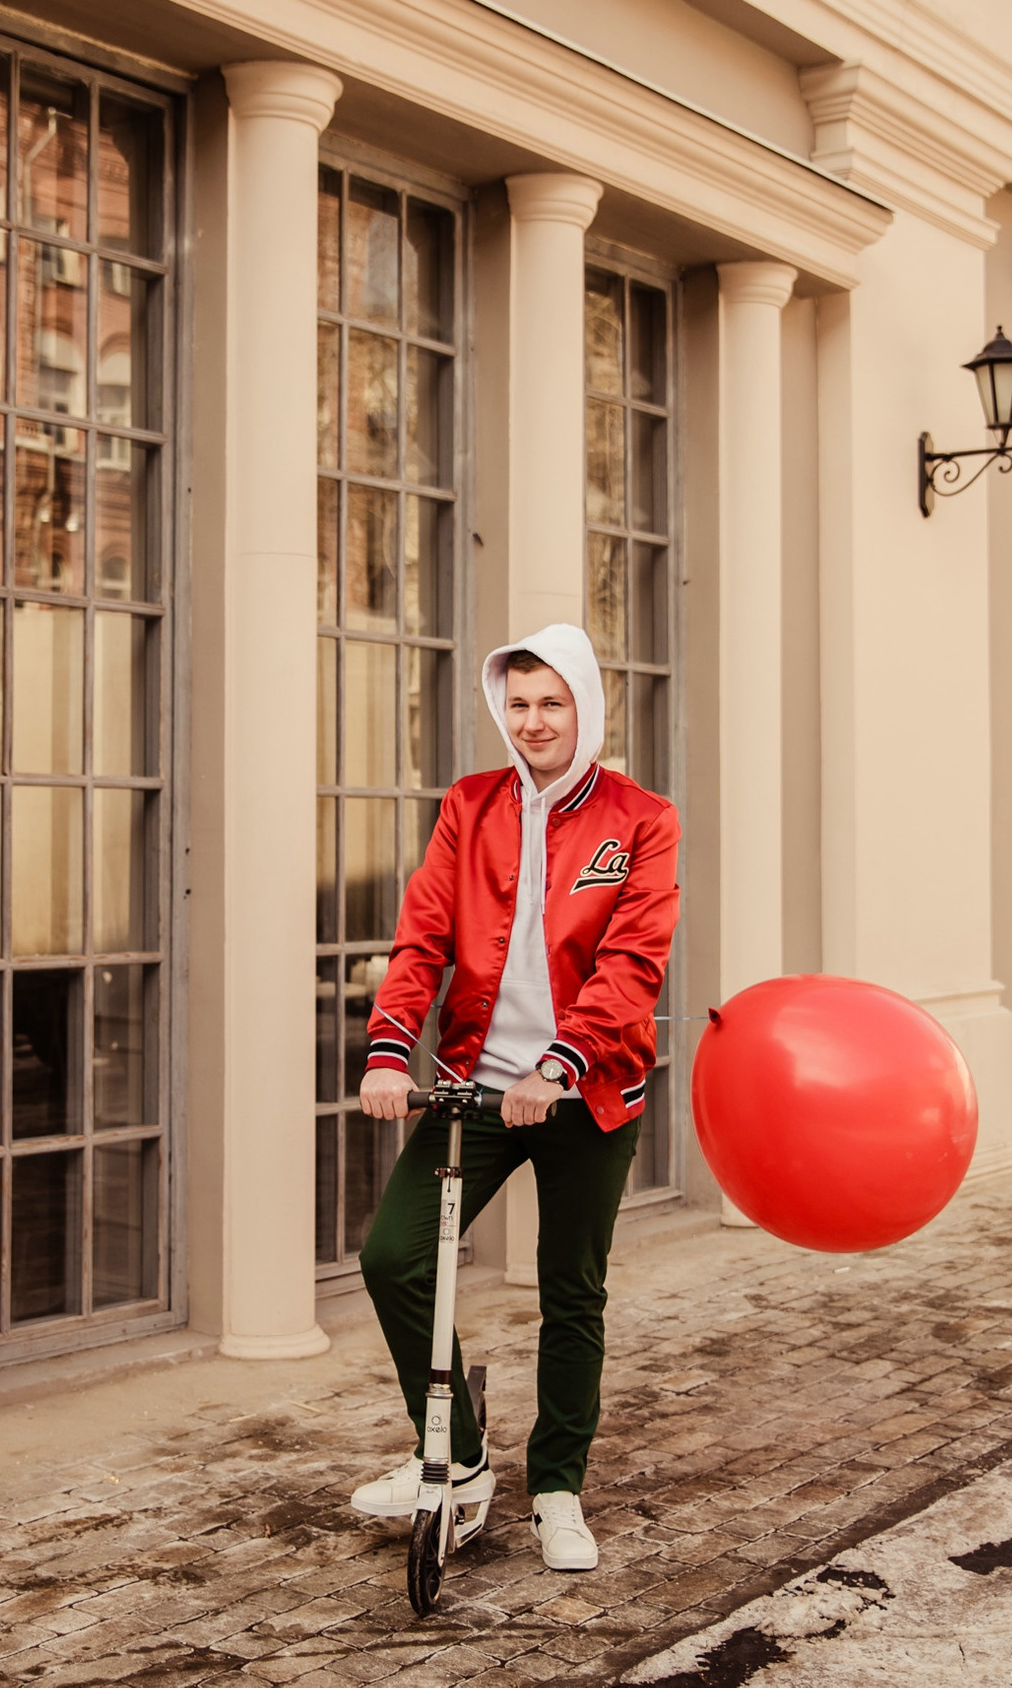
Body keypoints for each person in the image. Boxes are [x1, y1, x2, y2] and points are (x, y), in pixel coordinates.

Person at [349, 622, 681, 1573]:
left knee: (570, 1290)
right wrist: (386, 1051)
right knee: (394, 1258)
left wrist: (561, 1066)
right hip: (475, 1089)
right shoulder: (471, 805)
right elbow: (421, 940)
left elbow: (631, 965)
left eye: (553, 703)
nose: (534, 721)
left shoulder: (640, 819)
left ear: (585, 707)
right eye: (520, 704)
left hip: (587, 1092)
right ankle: (453, 1457)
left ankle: (559, 1487)